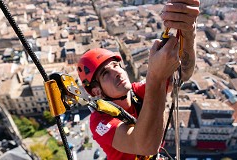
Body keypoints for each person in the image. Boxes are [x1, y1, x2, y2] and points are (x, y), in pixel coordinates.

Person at [77, 0, 200, 159]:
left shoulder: (138, 92)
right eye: (105, 73)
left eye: (116, 65)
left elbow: (182, 74)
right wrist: (156, 77)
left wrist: (189, 33)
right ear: (96, 90)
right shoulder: (100, 121)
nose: (117, 72)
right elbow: (144, 146)